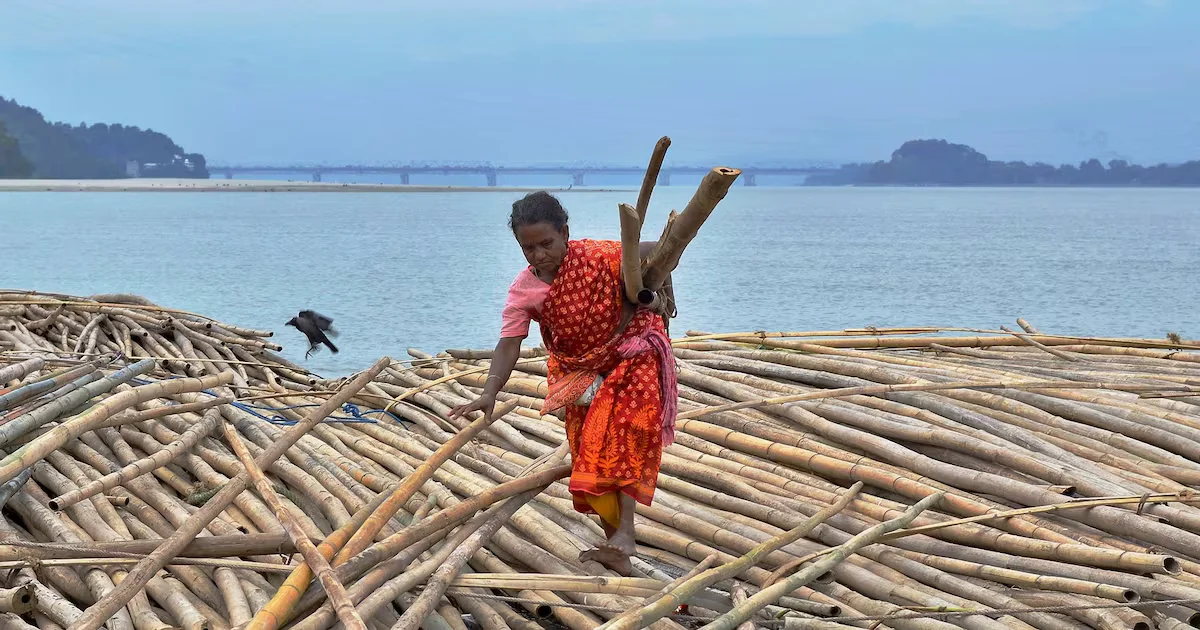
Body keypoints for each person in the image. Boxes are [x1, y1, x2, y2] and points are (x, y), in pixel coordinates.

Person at [450, 191, 677, 576]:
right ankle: (616, 544)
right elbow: (509, 342)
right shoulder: (525, 290)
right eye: (528, 248)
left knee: (621, 434)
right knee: (589, 452)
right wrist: (489, 392)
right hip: (578, 370)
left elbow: (665, 250)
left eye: (546, 244)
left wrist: (660, 298)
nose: (538, 254)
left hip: (633, 354)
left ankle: (625, 534)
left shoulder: (602, 256)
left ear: (565, 233)